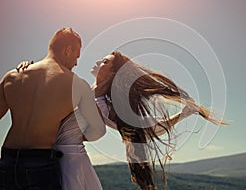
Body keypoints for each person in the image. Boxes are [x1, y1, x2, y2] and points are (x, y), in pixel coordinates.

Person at [91, 51, 225, 190]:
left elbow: (148, 129)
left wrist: (182, 115)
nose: (99, 62)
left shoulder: (111, 106)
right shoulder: (97, 90)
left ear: (112, 74)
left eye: (105, 62)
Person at [0, 28, 106, 190]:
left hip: (7, 159)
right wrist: (72, 139)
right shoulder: (77, 85)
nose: (76, 63)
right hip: (40, 163)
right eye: (76, 57)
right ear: (68, 50)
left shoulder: (12, 76)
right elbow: (98, 130)